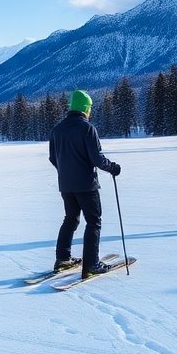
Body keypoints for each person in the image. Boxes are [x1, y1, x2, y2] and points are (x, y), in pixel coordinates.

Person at [49, 90, 121, 279]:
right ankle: (91, 265)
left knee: (70, 219)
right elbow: (96, 159)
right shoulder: (87, 128)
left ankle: (62, 259)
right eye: (89, 108)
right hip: (86, 185)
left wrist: (66, 171)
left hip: (66, 185)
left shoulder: (57, 129)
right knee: (94, 221)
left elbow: (53, 158)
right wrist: (113, 168)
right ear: (86, 108)